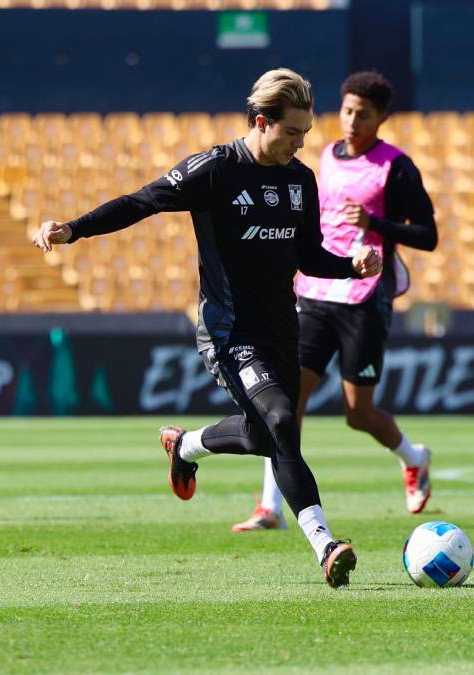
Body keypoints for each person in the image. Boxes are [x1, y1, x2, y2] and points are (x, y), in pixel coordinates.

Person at [33, 68, 381, 589]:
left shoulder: (300, 180)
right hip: (228, 329)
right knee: (284, 422)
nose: (300, 143)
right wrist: (74, 230)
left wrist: (350, 265)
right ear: (261, 122)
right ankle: (326, 545)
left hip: (280, 328)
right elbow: (142, 201)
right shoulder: (216, 170)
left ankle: (187, 445)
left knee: (267, 436)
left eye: (306, 133)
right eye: (292, 132)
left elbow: (308, 256)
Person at [231, 71, 439, 532]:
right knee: (285, 404)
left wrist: (375, 224)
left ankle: (414, 456)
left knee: (357, 413)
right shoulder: (324, 156)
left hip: (364, 296)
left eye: (363, 115)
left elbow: (428, 235)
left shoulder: (396, 167)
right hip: (315, 293)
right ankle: (271, 507)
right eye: (346, 111)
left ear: (382, 118)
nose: (351, 122)